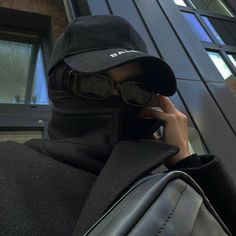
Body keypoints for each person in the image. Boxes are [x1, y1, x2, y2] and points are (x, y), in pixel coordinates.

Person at [0, 15, 235, 236]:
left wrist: (188, 162)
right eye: (93, 83)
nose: (116, 98)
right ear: (58, 85)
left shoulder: (159, 180)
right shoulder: (8, 165)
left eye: (135, 91)